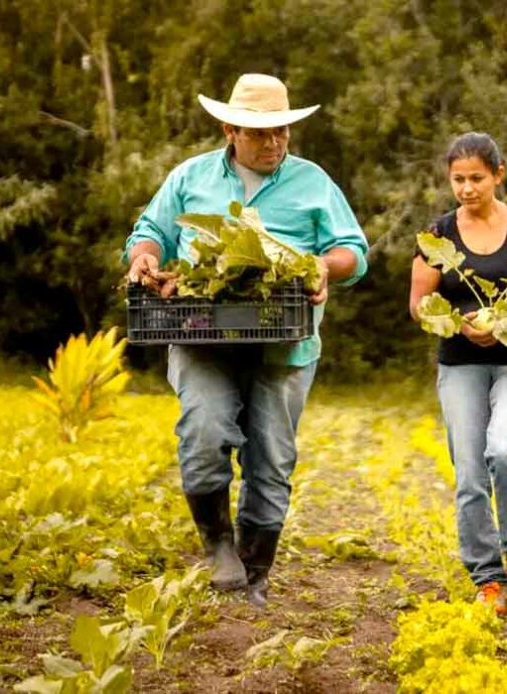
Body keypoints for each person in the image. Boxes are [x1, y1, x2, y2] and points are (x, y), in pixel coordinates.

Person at [124, 73, 368, 608]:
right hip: (200, 335)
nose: (274, 142)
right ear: (229, 129)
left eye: (281, 132)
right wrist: (144, 255)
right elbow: (151, 231)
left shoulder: (312, 182)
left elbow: (353, 249)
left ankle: (254, 574)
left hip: (284, 343)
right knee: (204, 434)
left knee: (272, 460)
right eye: (260, 133)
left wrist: (324, 266)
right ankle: (218, 548)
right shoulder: (191, 177)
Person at [409, 132, 507, 615]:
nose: (467, 188)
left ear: (498, 175)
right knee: (470, 474)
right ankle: (486, 578)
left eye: (476, 178)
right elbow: (419, 306)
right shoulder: (439, 233)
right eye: (458, 180)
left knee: (506, 449)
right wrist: (457, 325)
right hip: (460, 364)